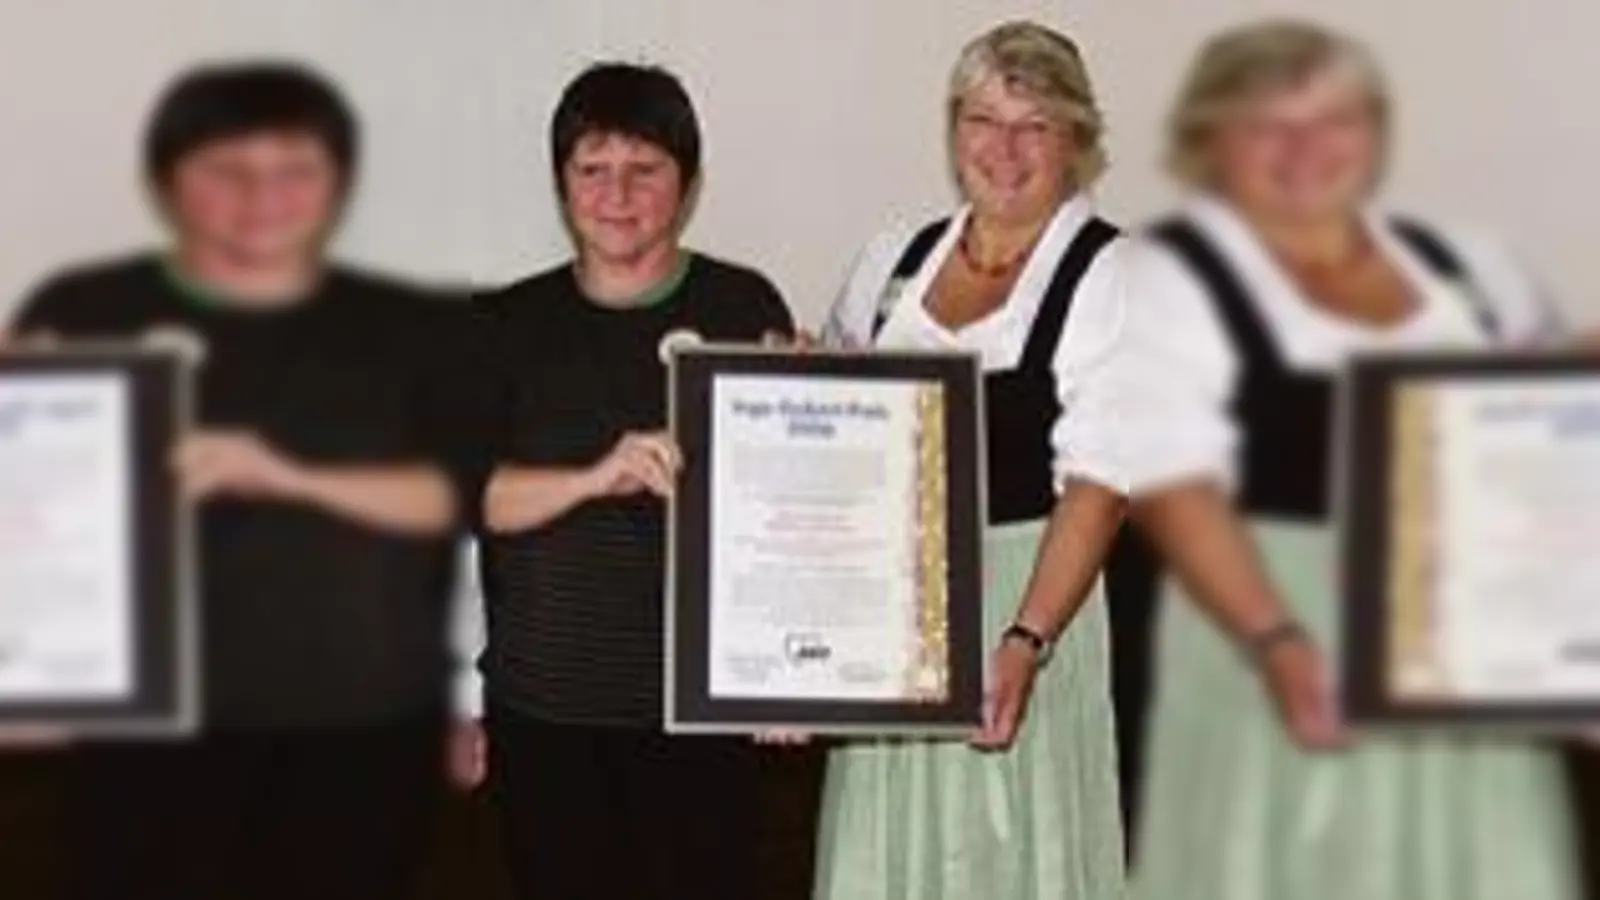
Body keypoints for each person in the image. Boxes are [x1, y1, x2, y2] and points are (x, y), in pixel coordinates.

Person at [1119, 20, 1582, 900]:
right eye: (1269, 126)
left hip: (1469, 640)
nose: (1306, 150)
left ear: (1376, 130)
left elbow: (1548, 441)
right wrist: (1277, 640)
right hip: (1273, 631)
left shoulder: (1470, 267)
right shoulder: (1167, 275)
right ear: (1210, 141)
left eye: (1336, 120)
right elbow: (1169, 483)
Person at [5, 62, 479, 900]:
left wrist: (286, 476)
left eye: (296, 169)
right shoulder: (87, 309)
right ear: (167, 181)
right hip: (144, 737)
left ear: (339, 181)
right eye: (228, 170)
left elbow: (455, 494)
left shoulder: (414, 326)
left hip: (358, 731)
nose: (263, 197)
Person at [813, 22, 1131, 899]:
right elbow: (835, 428)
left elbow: (1100, 488)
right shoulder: (892, 262)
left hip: (1025, 602)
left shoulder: (1111, 275)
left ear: (1076, 140)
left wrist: (1025, 641)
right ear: (954, 130)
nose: (1004, 148)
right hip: (890, 613)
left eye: (1035, 126)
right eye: (983, 120)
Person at [466, 62, 795, 900]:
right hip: (547, 713)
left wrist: (795, 674)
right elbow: (473, 497)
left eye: (644, 169)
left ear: (686, 183)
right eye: (593, 169)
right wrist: (593, 478)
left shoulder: (742, 305)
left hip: (701, 716)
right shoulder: (503, 324)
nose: (617, 195)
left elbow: (786, 510)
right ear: (562, 182)